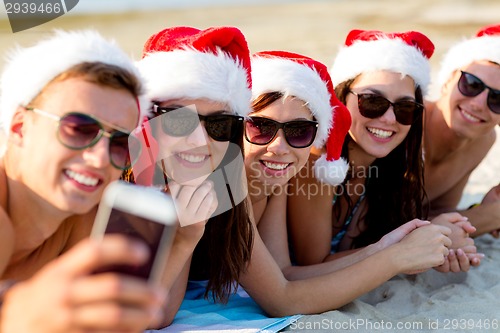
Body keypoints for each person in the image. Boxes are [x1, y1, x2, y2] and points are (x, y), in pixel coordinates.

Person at [128, 27, 452, 324]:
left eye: (299, 131)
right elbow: (281, 300)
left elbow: (283, 274)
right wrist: (396, 259)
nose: (280, 147)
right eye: (261, 127)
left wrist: (384, 247)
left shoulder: (272, 180)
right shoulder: (219, 179)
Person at [0, 30, 165, 332]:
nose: (100, 157)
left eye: (119, 143)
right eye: (79, 128)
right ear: (19, 127)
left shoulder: (91, 217)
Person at [287, 29, 481, 273]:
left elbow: (361, 250)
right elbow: (313, 266)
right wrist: (406, 249)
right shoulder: (318, 163)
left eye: (405, 107)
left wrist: (437, 241)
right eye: (372, 101)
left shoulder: (388, 169)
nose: (389, 118)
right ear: (341, 99)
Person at [124, 26, 254, 325]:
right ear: (146, 119)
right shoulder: (109, 180)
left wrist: (188, 232)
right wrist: (185, 237)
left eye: (219, 124)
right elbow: (134, 319)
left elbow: (162, 312)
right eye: (178, 119)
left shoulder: (222, 182)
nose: (198, 141)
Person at [423, 23, 500, 237]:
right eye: (472, 84)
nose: (478, 104)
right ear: (448, 80)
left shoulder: (483, 139)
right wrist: (491, 216)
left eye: (497, 99)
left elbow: (435, 213)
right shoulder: (403, 119)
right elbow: (380, 225)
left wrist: (478, 211)